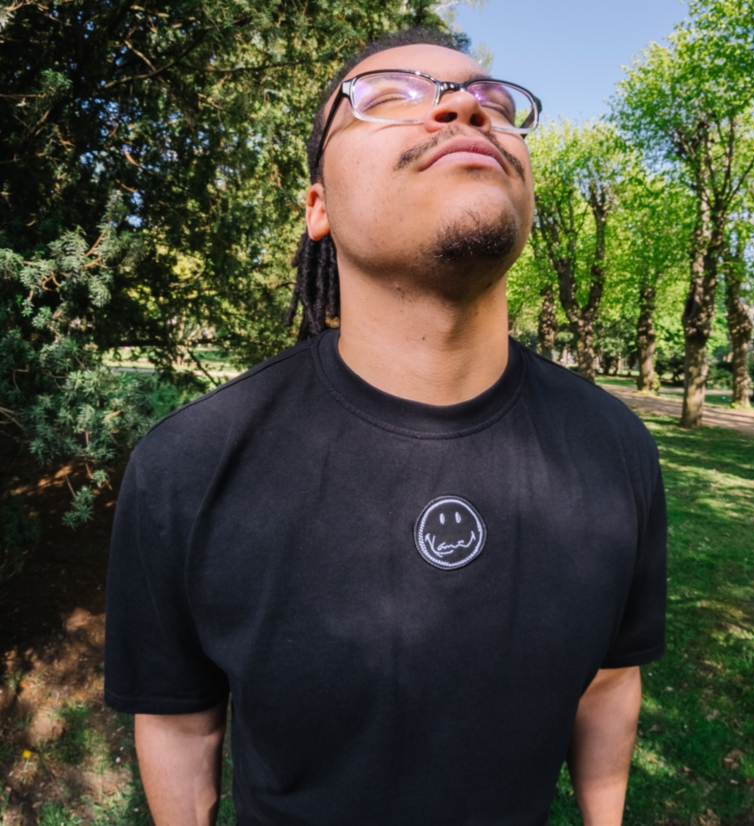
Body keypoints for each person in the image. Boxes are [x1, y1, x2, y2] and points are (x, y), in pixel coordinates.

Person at [105, 28, 667, 826]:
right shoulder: (187, 466)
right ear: (319, 208)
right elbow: (180, 724)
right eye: (391, 96)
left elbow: (609, 683)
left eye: (494, 102)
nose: (465, 108)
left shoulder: (616, 450)